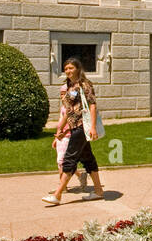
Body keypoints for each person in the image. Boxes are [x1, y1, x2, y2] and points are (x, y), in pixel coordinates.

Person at [43, 58, 105, 204]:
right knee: (89, 160)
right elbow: (68, 111)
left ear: (78, 68)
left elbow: (93, 105)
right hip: (74, 126)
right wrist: (61, 129)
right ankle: (98, 191)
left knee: (69, 159)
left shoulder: (85, 84)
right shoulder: (69, 86)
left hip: (82, 126)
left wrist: (93, 127)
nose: (68, 71)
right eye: (66, 69)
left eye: (71, 68)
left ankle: (57, 195)